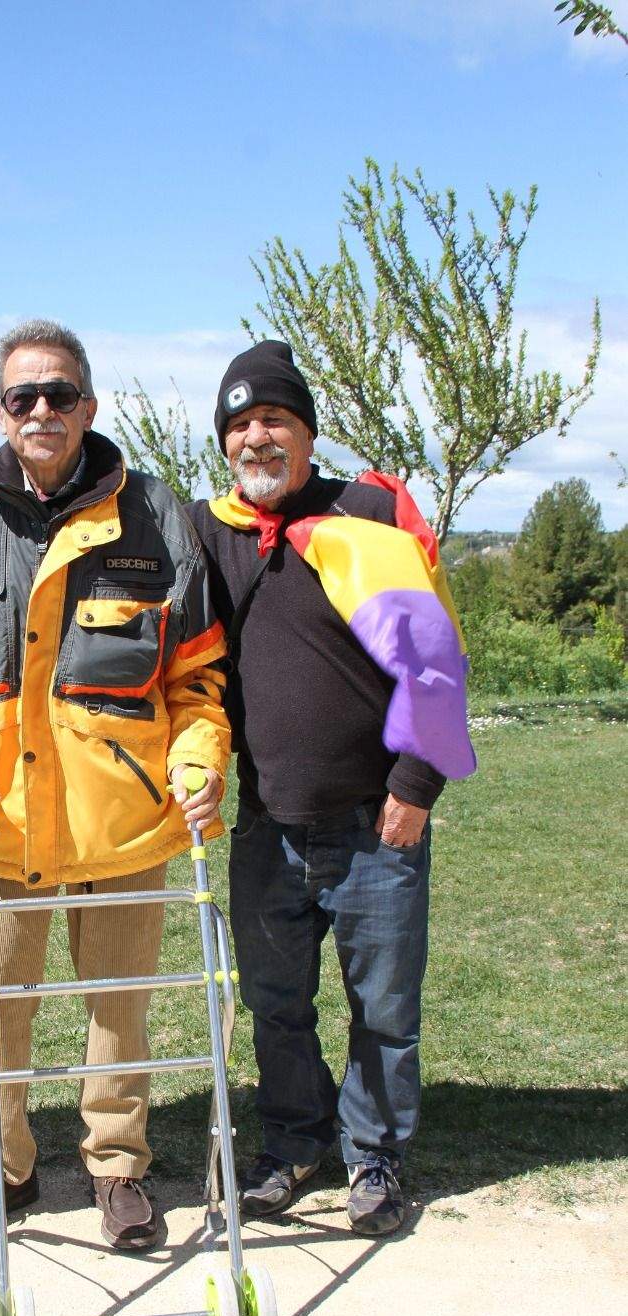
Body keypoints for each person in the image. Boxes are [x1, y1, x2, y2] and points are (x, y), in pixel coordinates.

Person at [0, 318, 231, 1249]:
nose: (41, 410)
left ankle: (117, 1170)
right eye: (22, 397)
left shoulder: (160, 519)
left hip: (127, 825)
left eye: (59, 394)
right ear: (1, 412)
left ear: (89, 404)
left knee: (120, 1013)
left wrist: (198, 766)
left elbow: (198, 680)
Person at [188, 341, 474, 1236]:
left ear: (307, 431)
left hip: (374, 820)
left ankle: (376, 1159)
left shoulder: (369, 516)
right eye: (238, 425)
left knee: (384, 1010)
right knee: (276, 1006)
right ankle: (294, 1144)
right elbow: (116, 517)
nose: (255, 438)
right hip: (266, 826)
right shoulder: (214, 534)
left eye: (273, 418)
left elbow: (436, 658)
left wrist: (418, 783)